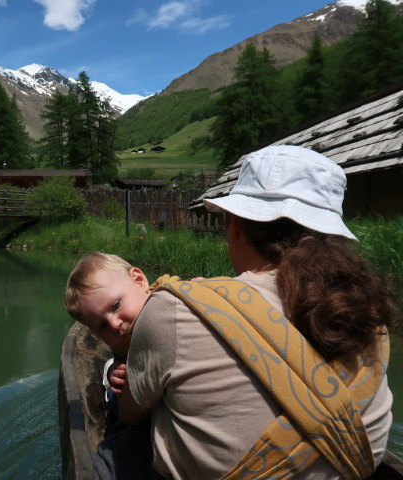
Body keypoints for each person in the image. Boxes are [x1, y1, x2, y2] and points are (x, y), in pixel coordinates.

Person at [117, 145, 394, 479]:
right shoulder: (371, 314)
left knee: (113, 450)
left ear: (235, 226)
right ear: (332, 235)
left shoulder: (177, 309)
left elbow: (131, 413)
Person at [65, 252, 151, 396]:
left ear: (139, 281)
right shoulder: (121, 345)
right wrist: (113, 373)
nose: (114, 324)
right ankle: (108, 373)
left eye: (116, 305)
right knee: (114, 389)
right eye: (103, 326)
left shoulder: (169, 300)